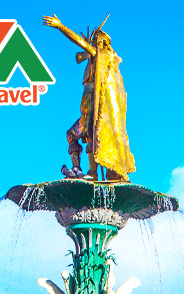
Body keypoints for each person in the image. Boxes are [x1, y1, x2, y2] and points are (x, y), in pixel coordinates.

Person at [42, 14, 136, 181]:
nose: (94, 44)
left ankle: (91, 173)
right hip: (87, 100)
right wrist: (87, 52)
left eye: (97, 41)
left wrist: (60, 26)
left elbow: (80, 42)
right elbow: (81, 53)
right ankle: (78, 169)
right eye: (94, 42)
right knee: (76, 134)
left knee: (91, 134)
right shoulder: (95, 58)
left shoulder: (104, 56)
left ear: (104, 43)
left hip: (94, 100)